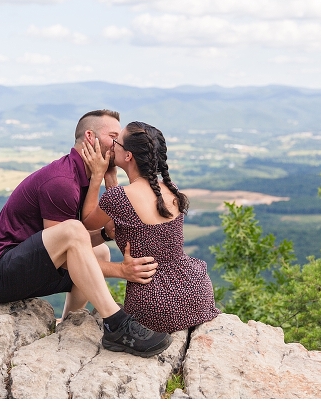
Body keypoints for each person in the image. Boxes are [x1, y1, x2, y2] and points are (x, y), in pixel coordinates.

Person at [0, 110, 172, 358]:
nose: (119, 143)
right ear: (90, 137)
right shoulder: (61, 181)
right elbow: (68, 245)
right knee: (75, 231)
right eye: (113, 136)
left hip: (26, 269)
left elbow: (71, 246)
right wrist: (121, 271)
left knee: (99, 249)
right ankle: (117, 324)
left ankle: (68, 323)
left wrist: (105, 235)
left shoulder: (83, 177)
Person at [80, 121, 220, 334]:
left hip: (154, 301)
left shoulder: (119, 198)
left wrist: (97, 176)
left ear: (128, 156)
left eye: (117, 142)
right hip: (196, 291)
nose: (112, 146)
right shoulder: (171, 190)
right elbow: (118, 210)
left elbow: (87, 221)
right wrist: (112, 178)